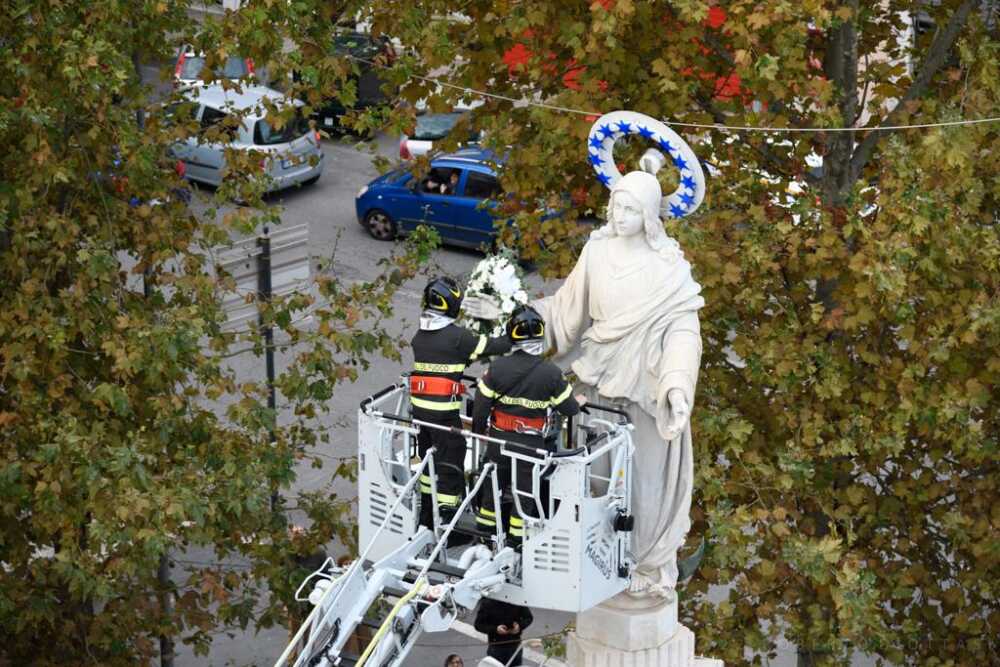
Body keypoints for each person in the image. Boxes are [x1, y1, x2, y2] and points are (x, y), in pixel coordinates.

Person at [469, 170, 704, 608]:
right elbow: (565, 314)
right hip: (597, 384)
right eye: (616, 205)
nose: (619, 215)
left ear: (650, 214)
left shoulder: (669, 267)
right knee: (596, 482)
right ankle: (602, 564)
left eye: (631, 208)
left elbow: (683, 330)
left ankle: (643, 566)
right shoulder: (597, 251)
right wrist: (516, 316)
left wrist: (676, 383)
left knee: (643, 486)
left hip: (646, 395)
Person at [471, 305, 585, 546]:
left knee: (493, 486)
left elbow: (480, 405)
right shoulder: (551, 373)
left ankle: (485, 534)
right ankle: (516, 542)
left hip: (498, 439)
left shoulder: (497, 368)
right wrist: (578, 401)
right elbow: (570, 409)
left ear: (512, 334)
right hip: (530, 445)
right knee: (525, 493)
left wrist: (479, 433)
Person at [411, 276, 512, 533]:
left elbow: (444, 358)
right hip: (445, 417)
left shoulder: (420, 337)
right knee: (451, 466)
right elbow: (497, 346)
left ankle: (426, 513)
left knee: (427, 463)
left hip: (421, 415)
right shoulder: (458, 338)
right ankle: (448, 524)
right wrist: (507, 322)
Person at [474, 598, 533, 666]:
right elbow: (478, 625)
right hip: (496, 647)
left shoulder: (517, 600)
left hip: (514, 645)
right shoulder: (488, 602)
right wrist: (495, 629)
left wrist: (519, 626)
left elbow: (528, 618)